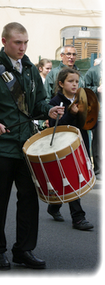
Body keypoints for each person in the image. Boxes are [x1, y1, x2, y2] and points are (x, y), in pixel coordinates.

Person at [0, 22, 64, 270]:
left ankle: (23, 250)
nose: (22, 47)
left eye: (25, 42)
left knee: (29, 197)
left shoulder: (30, 69)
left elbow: (39, 102)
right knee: (0, 199)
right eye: (17, 42)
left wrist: (49, 109)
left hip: (26, 144)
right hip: (1, 146)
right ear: (4, 42)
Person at [48, 67, 94, 230]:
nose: (75, 84)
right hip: (63, 145)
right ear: (61, 83)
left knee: (72, 177)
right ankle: (78, 218)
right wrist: (71, 113)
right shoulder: (55, 102)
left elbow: (88, 122)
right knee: (72, 178)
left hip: (80, 141)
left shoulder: (82, 98)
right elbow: (56, 126)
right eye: (70, 81)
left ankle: (54, 206)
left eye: (76, 81)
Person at [84, 58, 103, 181]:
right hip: (99, 113)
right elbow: (84, 88)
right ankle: (98, 170)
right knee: (97, 143)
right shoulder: (93, 71)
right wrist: (97, 89)